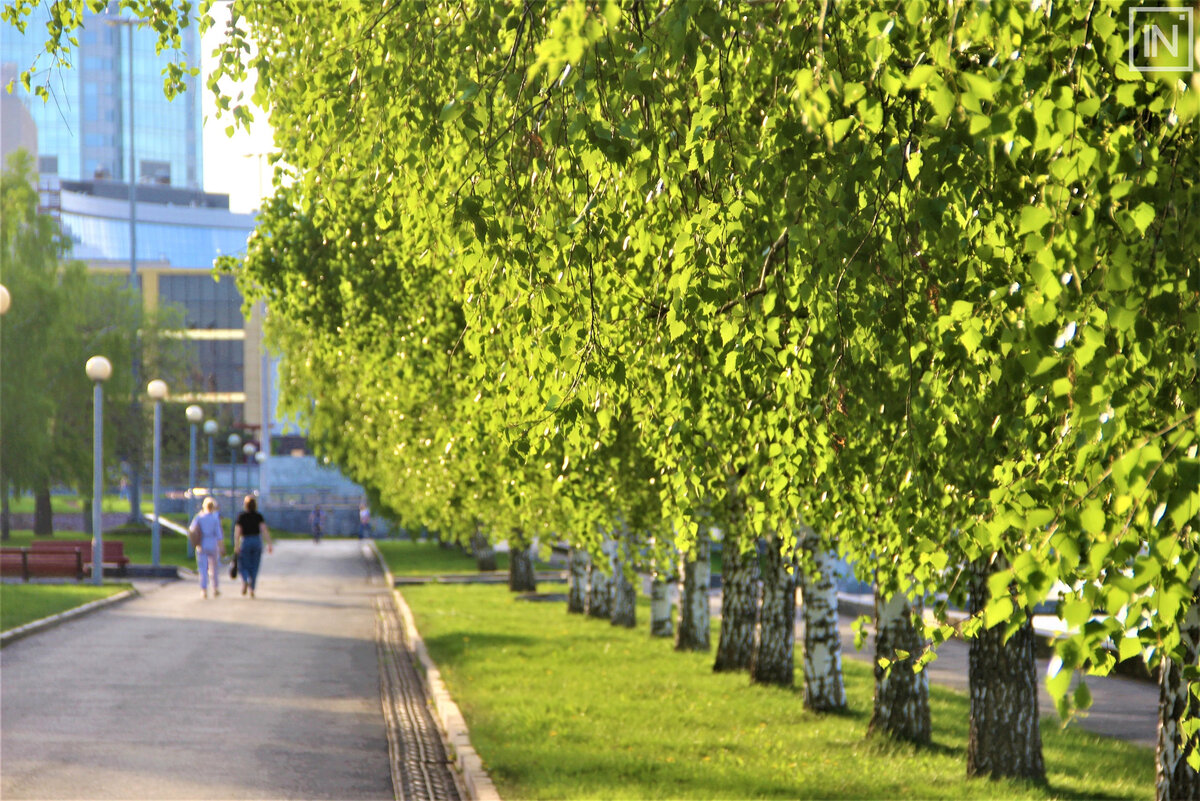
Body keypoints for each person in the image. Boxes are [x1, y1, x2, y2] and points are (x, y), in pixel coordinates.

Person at [234, 494, 273, 598]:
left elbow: (237, 532)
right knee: (255, 566)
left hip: (245, 541)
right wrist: (269, 544)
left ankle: (245, 579)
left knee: (243, 564)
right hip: (257, 541)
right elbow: (264, 530)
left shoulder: (241, 516)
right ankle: (252, 589)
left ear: (245, 505)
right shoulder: (258, 516)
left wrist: (237, 545)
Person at [189, 497, 226, 599]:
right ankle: (215, 588)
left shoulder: (199, 517)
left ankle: (204, 589)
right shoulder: (215, 518)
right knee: (214, 568)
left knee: (203, 568)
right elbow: (219, 534)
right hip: (213, 544)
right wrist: (222, 547)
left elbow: (192, 530)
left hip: (202, 544)